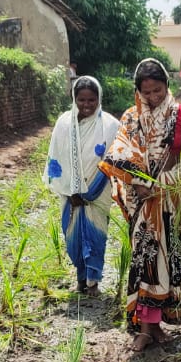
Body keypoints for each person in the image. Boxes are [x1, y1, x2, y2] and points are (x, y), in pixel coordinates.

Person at [100, 58, 181, 353]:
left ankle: (157, 325)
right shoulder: (131, 118)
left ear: (166, 86)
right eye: (147, 93)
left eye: (158, 91)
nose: (153, 98)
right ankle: (145, 328)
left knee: (168, 261)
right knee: (145, 260)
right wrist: (138, 184)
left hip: (170, 197)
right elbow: (120, 158)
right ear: (139, 91)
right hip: (142, 200)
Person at [44, 75, 120, 297]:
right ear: (74, 99)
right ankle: (80, 277)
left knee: (97, 236)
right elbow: (55, 157)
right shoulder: (64, 124)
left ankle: (93, 281)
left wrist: (91, 190)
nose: (86, 105)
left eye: (91, 100)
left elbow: (115, 159)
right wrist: (70, 191)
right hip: (70, 195)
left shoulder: (110, 125)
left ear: (99, 99)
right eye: (81, 100)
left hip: (99, 192)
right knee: (73, 236)